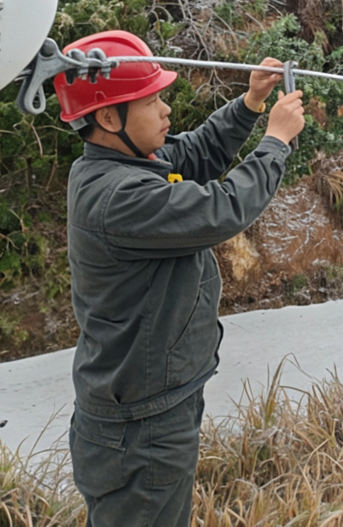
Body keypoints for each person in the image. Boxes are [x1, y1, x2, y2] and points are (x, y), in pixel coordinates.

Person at [53, 29, 305, 527]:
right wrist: (275, 141)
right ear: (108, 117)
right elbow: (223, 209)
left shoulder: (124, 164)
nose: (166, 111)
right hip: (139, 427)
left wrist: (251, 104)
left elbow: (196, 152)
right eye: (152, 101)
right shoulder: (119, 196)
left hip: (146, 407)